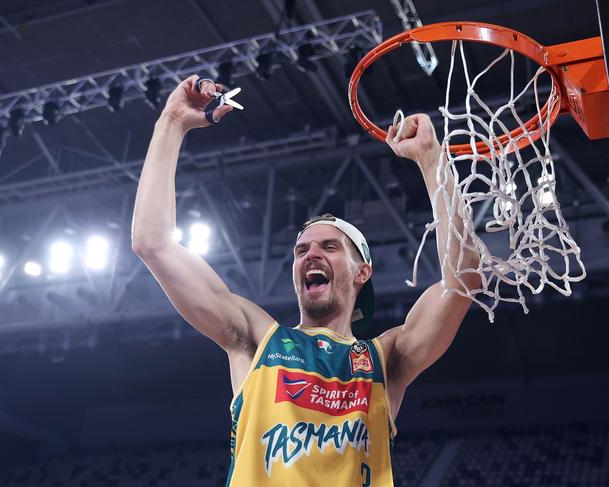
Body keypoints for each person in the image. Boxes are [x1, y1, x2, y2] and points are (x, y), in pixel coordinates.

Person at [131, 76, 480, 486]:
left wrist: (431, 159)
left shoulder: (387, 360)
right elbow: (152, 243)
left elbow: (463, 277)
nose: (310, 254)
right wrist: (171, 122)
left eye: (329, 247)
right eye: (301, 251)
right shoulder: (257, 338)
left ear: (361, 272)